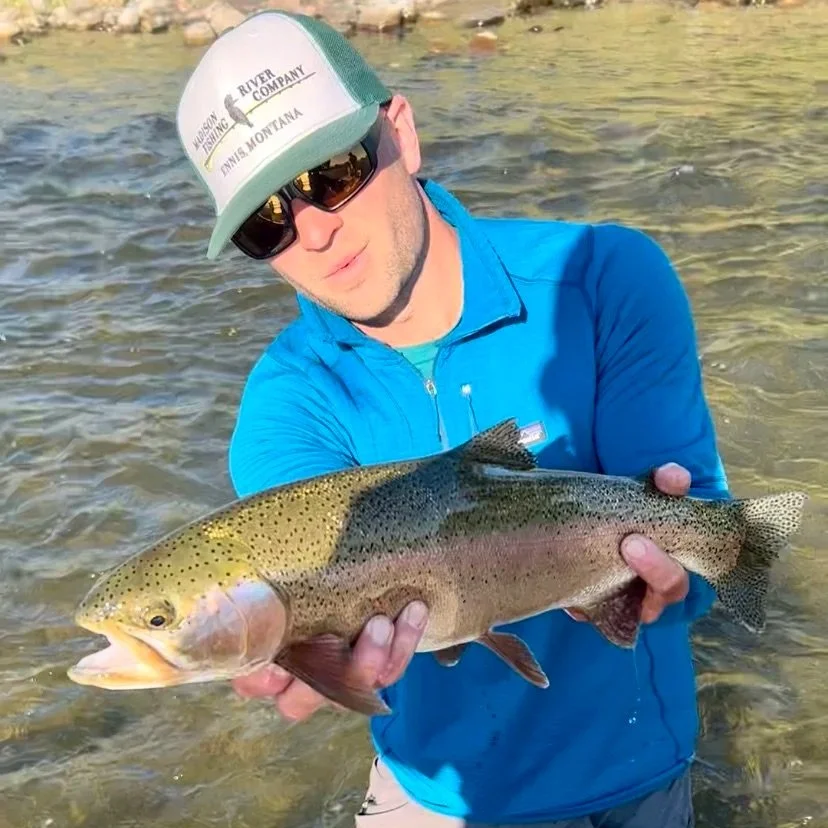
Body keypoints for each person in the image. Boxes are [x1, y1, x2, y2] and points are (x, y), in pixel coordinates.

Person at [175, 10, 730, 827]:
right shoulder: (284, 407)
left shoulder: (608, 278)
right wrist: (309, 657)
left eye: (330, 172)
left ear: (400, 130)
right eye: (268, 221)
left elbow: (708, 540)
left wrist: (674, 583)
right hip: (432, 795)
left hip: (638, 776)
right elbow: (312, 591)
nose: (316, 229)